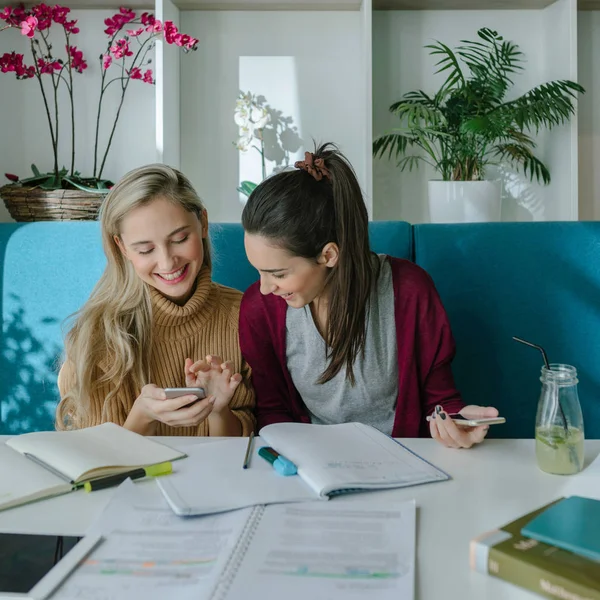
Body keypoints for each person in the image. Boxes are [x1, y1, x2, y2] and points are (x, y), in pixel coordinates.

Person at [239, 143, 498, 449]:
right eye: (259, 271)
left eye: (278, 274)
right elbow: (273, 412)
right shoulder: (260, 307)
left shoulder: (411, 291)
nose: (266, 287)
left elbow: (439, 401)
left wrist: (457, 420)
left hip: (402, 459)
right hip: (309, 465)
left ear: (329, 255)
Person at [56, 164, 254, 436]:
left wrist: (219, 410)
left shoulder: (244, 315)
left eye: (180, 239)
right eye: (146, 249)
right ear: (122, 247)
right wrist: (143, 417)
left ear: (203, 223)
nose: (167, 261)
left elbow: (245, 452)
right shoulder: (98, 337)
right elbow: (96, 462)